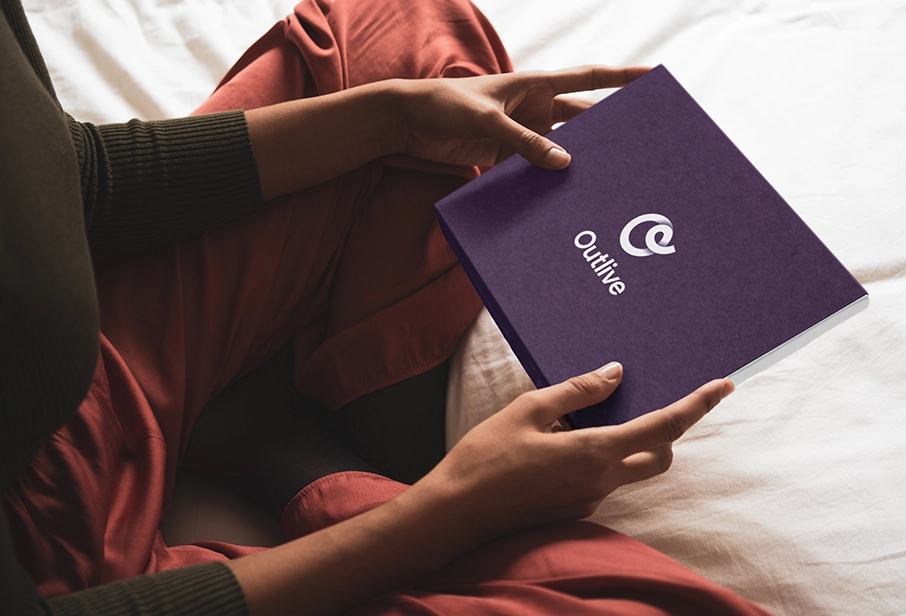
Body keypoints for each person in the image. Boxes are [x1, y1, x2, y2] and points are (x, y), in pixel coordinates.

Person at [1, 0, 773, 613]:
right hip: (60, 565)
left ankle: (296, 422)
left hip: (66, 368)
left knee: (403, 29)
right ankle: (304, 464)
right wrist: (451, 511)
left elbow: (71, 176)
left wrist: (390, 118)